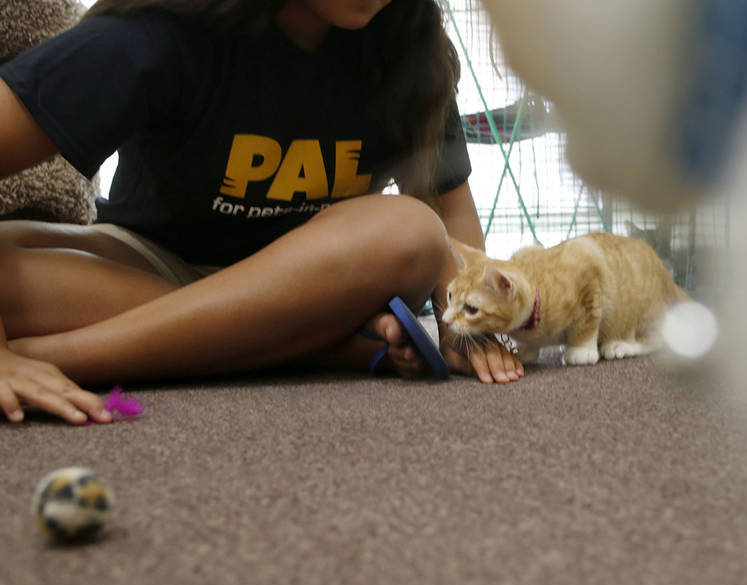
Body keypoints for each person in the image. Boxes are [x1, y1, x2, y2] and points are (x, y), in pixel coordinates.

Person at [0, 0, 525, 425]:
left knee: (411, 231)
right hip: (148, 263)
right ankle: (320, 348)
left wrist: (468, 326)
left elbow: (449, 216)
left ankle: (59, 358)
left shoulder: (410, 47)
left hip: (326, 281)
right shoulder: (154, 33)